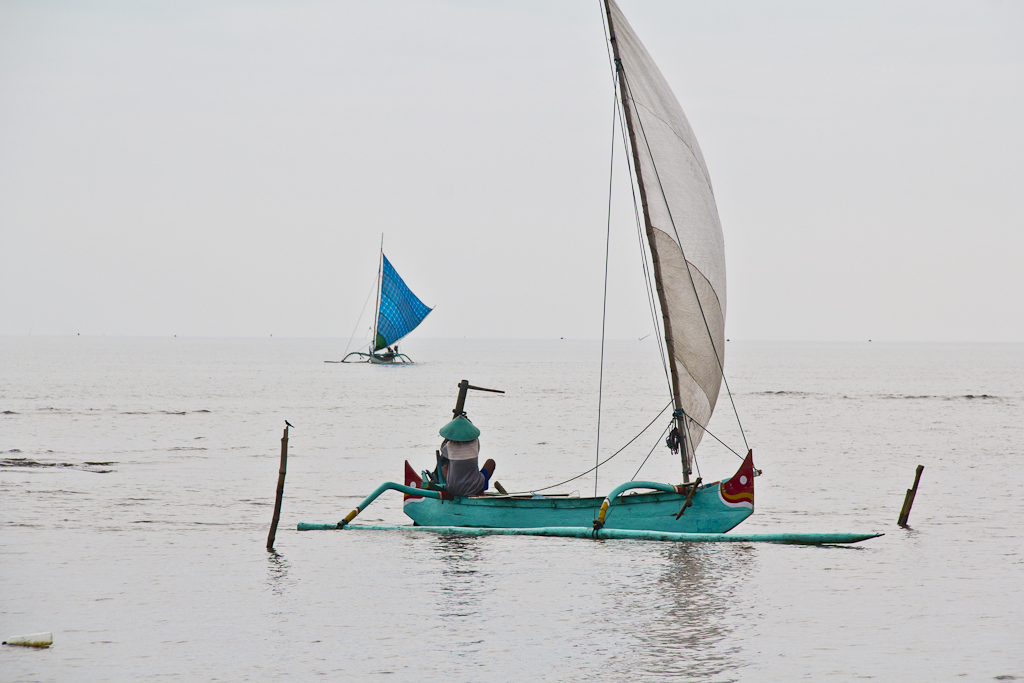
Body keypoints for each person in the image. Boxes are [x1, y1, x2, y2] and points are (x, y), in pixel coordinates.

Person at [438, 415, 495, 496]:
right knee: (490, 462)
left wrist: (451, 432)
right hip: (475, 487)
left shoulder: (449, 446)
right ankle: (479, 489)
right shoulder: (475, 443)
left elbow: (443, 449)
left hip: (453, 489)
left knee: (444, 467)